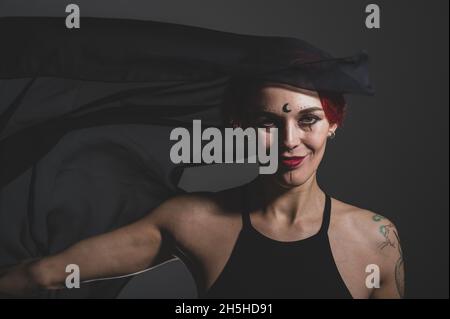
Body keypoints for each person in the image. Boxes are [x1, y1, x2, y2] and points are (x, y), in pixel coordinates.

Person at [0, 78, 404, 299]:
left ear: (333, 124)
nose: (289, 140)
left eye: (308, 120)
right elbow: (45, 273)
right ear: (240, 129)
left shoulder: (375, 238)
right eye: (268, 122)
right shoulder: (193, 220)